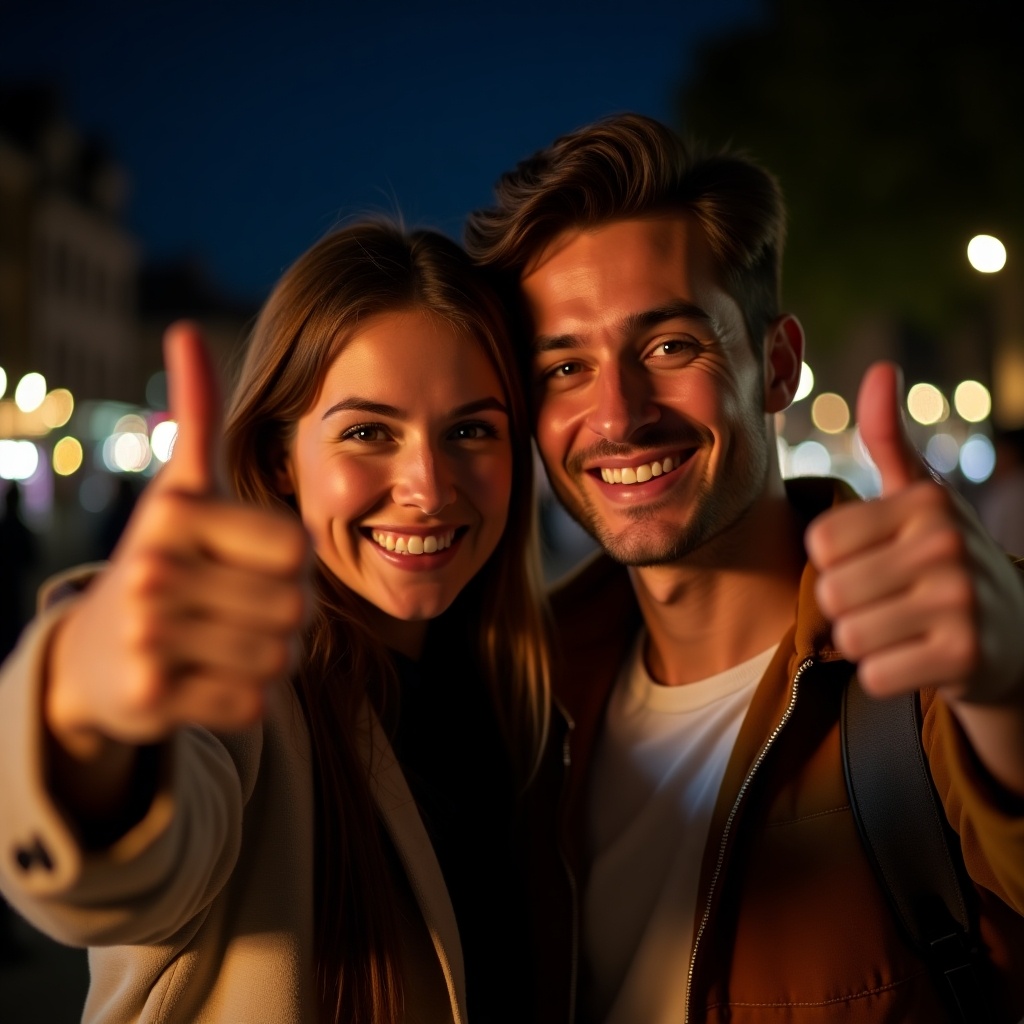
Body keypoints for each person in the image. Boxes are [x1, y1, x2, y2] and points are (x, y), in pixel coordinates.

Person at [465, 114, 1024, 1023]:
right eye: (564, 367)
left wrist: (1004, 691)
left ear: (777, 363)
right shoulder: (524, 698)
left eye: (670, 347)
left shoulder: (940, 654)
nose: (618, 415)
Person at [0, 222, 550, 1023]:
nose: (428, 487)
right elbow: (113, 874)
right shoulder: (247, 697)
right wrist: (85, 707)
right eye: (368, 433)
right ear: (276, 459)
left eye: (471, 430)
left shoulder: (531, 700)